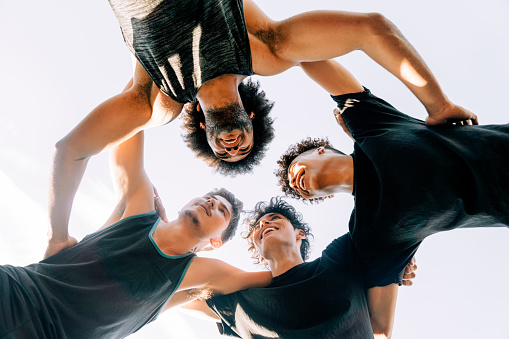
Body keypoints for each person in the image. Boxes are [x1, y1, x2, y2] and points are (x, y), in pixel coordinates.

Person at [49, 2, 479, 245]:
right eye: (244, 146)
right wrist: (438, 104)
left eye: (226, 151)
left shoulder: (157, 100)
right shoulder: (265, 49)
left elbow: (71, 151)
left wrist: (57, 236)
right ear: (251, 119)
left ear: (204, 131)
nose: (233, 145)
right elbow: (371, 29)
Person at [1, 126, 272, 338]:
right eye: (208, 196)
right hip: (16, 292)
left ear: (215, 242)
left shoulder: (198, 274)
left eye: (222, 211)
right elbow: (129, 124)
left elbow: (275, 285)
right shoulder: (140, 207)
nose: (211, 202)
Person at [275, 59, 508, 282]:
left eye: (294, 169)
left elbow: (306, 57)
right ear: (326, 197)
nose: (294, 182)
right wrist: (395, 269)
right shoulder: (369, 232)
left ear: (320, 150)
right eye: (297, 190)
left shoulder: (370, 123)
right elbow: (380, 323)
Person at [175, 197, 417, 339]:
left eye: (274, 219)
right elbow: (168, 294)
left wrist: (393, 264)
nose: (264, 224)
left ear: (299, 234)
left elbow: (386, 220)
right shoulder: (242, 301)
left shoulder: (339, 259)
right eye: (258, 226)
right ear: (258, 254)